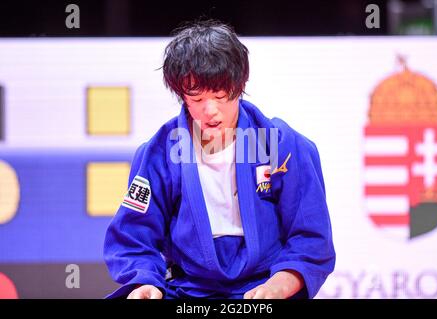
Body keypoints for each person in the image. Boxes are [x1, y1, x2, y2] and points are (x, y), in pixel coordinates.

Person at [103, 20, 335, 299]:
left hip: (265, 285)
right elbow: (132, 239)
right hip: (188, 289)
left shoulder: (284, 145)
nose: (210, 111)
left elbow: (310, 239)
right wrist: (145, 284)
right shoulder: (157, 154)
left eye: (220, 95)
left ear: (240, 85)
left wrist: (279, 286)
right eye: (197, 98)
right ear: (181, 94)